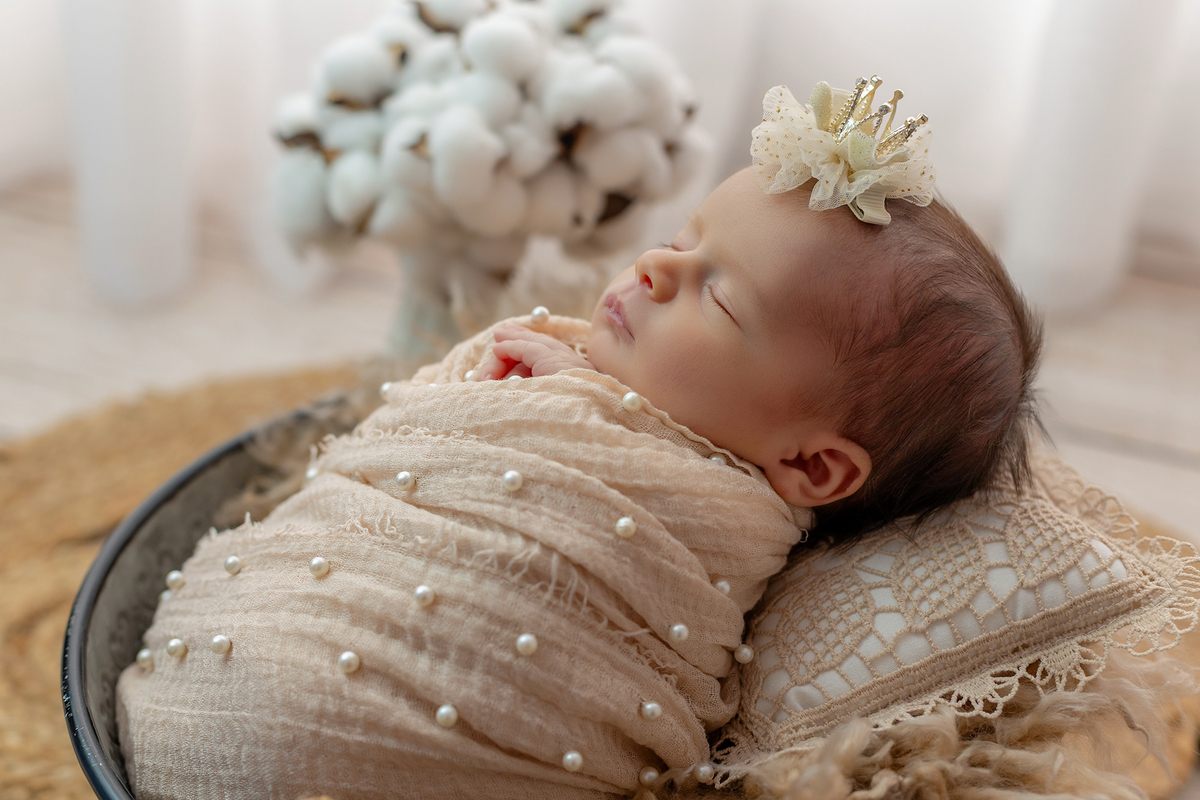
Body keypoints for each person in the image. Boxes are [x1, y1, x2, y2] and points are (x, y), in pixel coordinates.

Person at [116, 78, 1041, 800]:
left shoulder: (715, 520)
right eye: (685, 237)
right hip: (253, 659)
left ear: (809, 465)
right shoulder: (569, 368)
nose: (656, 266)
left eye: (718, 295)